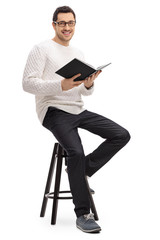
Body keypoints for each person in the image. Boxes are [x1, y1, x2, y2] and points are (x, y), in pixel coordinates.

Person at [22, 6, 130, 233]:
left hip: (77, 109)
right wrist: (60, 85)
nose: (67, 27)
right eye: (62, 23)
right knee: (76, 152)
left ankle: (80, 171)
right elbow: (27, 83)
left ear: (74, 25)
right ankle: (83, 214)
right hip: (53, 110)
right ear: (54, 25)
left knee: (121, 134)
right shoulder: (41, 49)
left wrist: (88, 83)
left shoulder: (78, 53)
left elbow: (81, 92)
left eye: (70, 23)